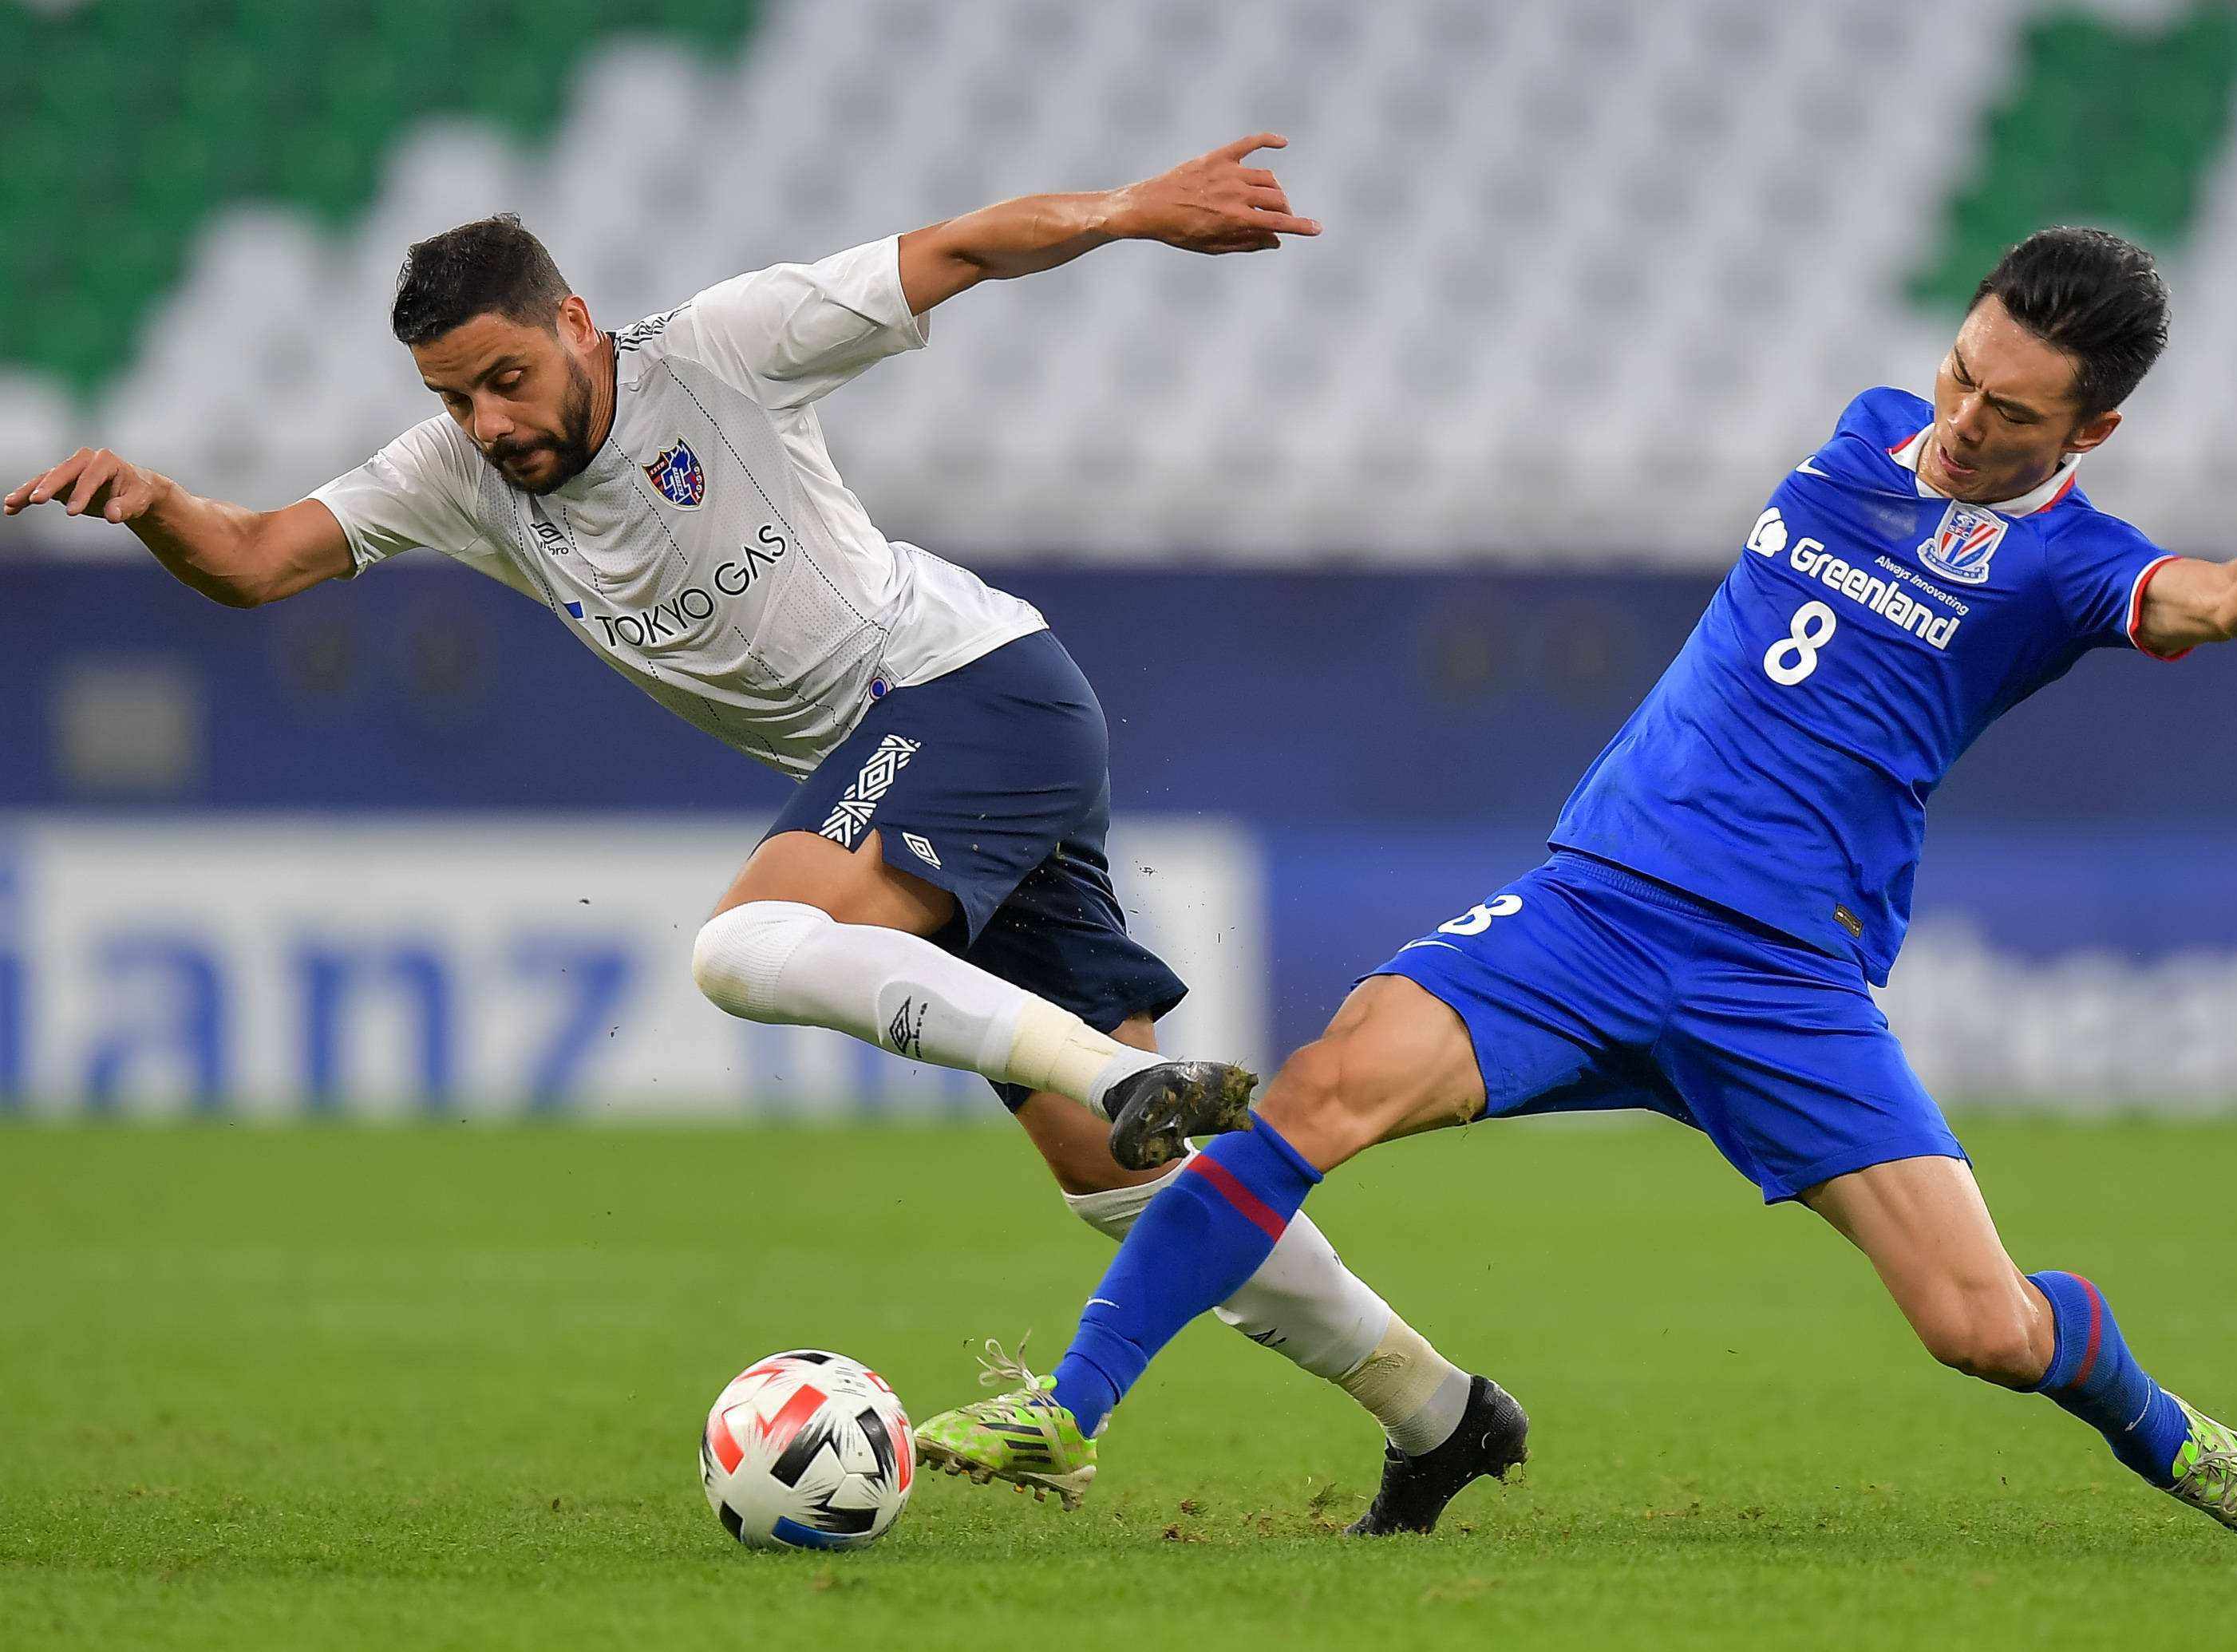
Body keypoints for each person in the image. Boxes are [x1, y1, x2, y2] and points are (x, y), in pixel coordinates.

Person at [3, 136, 1504, 1534]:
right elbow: (260, 561)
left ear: (578, 320)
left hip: (970, 692)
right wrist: (155, 506)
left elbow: (960, 249)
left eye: (507, 379)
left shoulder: (721, 348)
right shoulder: (456, 473)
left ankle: (1118, 1071)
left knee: (743, 947)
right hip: (919, 754)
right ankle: (1439, 1413)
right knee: (1125, 1188)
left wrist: (1127, 212)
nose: (490, 423)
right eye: (457, 397)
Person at [919, 227, 2237, 1535]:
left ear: (2091, 430)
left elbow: (2208, 605)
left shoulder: (2071, 564)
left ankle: (2159, 1426)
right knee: (1316, 1095)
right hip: (1592, 910)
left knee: (1982, 1329)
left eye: (2008, 410)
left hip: (1781, 981)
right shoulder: (1865, 433)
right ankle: (1069, 1410)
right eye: (1960, 369)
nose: (1959, 418)